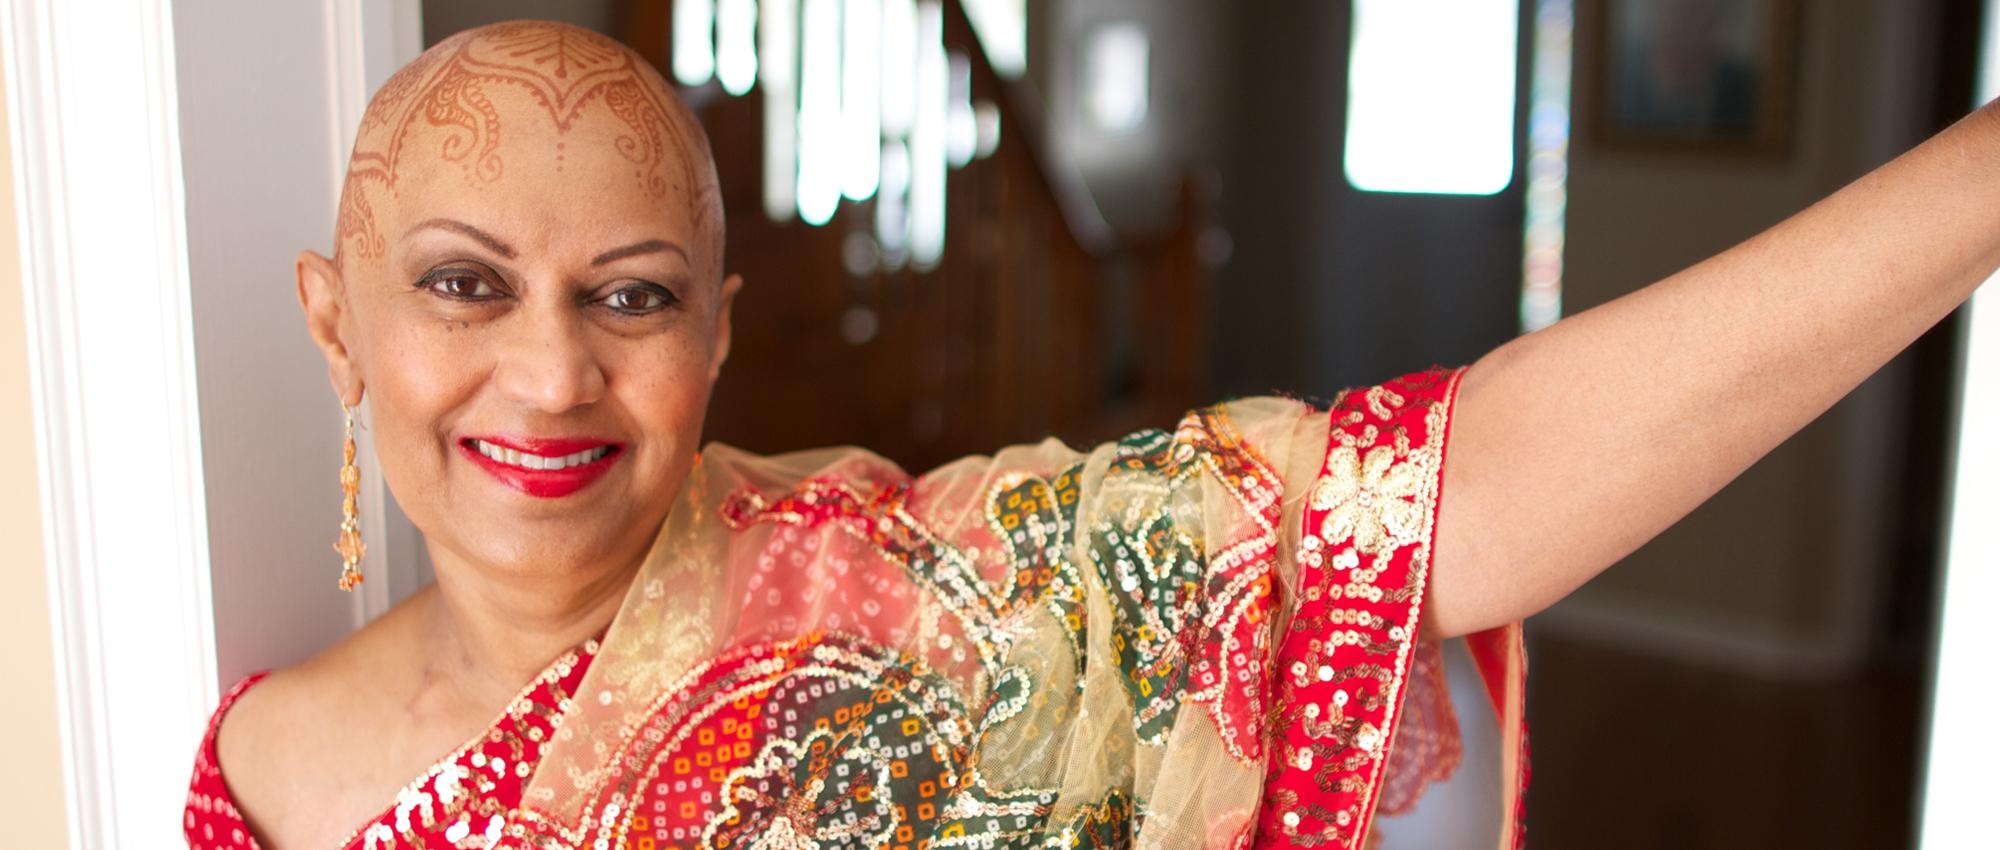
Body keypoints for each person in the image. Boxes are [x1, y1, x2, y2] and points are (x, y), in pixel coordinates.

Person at [180, 19, 1990, 850]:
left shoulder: (920, 598)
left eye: (634, 294)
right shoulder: (249, 775)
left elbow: (1441, 489)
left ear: (720, 337)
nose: (556, 372)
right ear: (336, 319)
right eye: (465, 286)